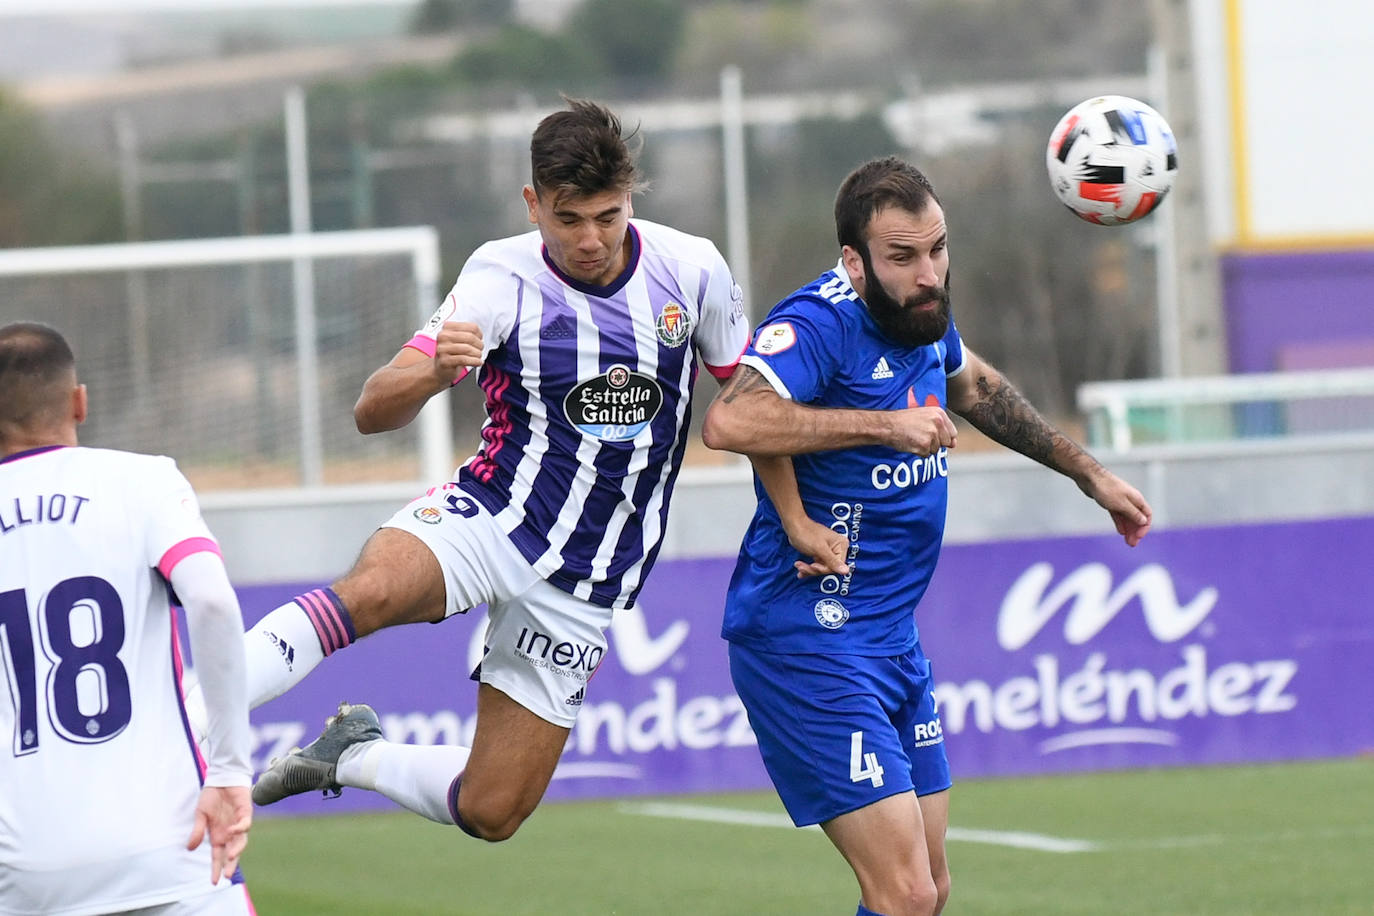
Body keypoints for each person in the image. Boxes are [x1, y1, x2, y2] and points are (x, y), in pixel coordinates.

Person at [238, 98, 748, 840]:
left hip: (588, 577)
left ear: (629, 197)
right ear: (533, 203)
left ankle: (352, 756)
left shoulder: (691, 268)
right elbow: (371, 410)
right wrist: (431, 372)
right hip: (492, 516)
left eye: (607, 216)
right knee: (372, 591)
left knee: (491, 809)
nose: (590, 239)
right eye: (568, 218)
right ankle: (180, 717)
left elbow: (750, 402)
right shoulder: (497, 275)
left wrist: (797, 518)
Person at [700, 156, 1153, 916]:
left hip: (889, 635)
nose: (929, 272)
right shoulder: (818, 324)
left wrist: (1089, 474)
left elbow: (976, 386)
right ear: (855, 262)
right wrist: (882, 428)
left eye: (938, 249)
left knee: (930, 890)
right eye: (903, 257)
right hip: (808, 634)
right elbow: (730, 421)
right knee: (905, 892)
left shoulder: (921, 315)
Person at [0, 322, 254, 915]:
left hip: (25, 870)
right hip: (171, 845)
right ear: (79, 401)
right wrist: (229, 769)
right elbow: (213, 602)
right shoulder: (143, 481)